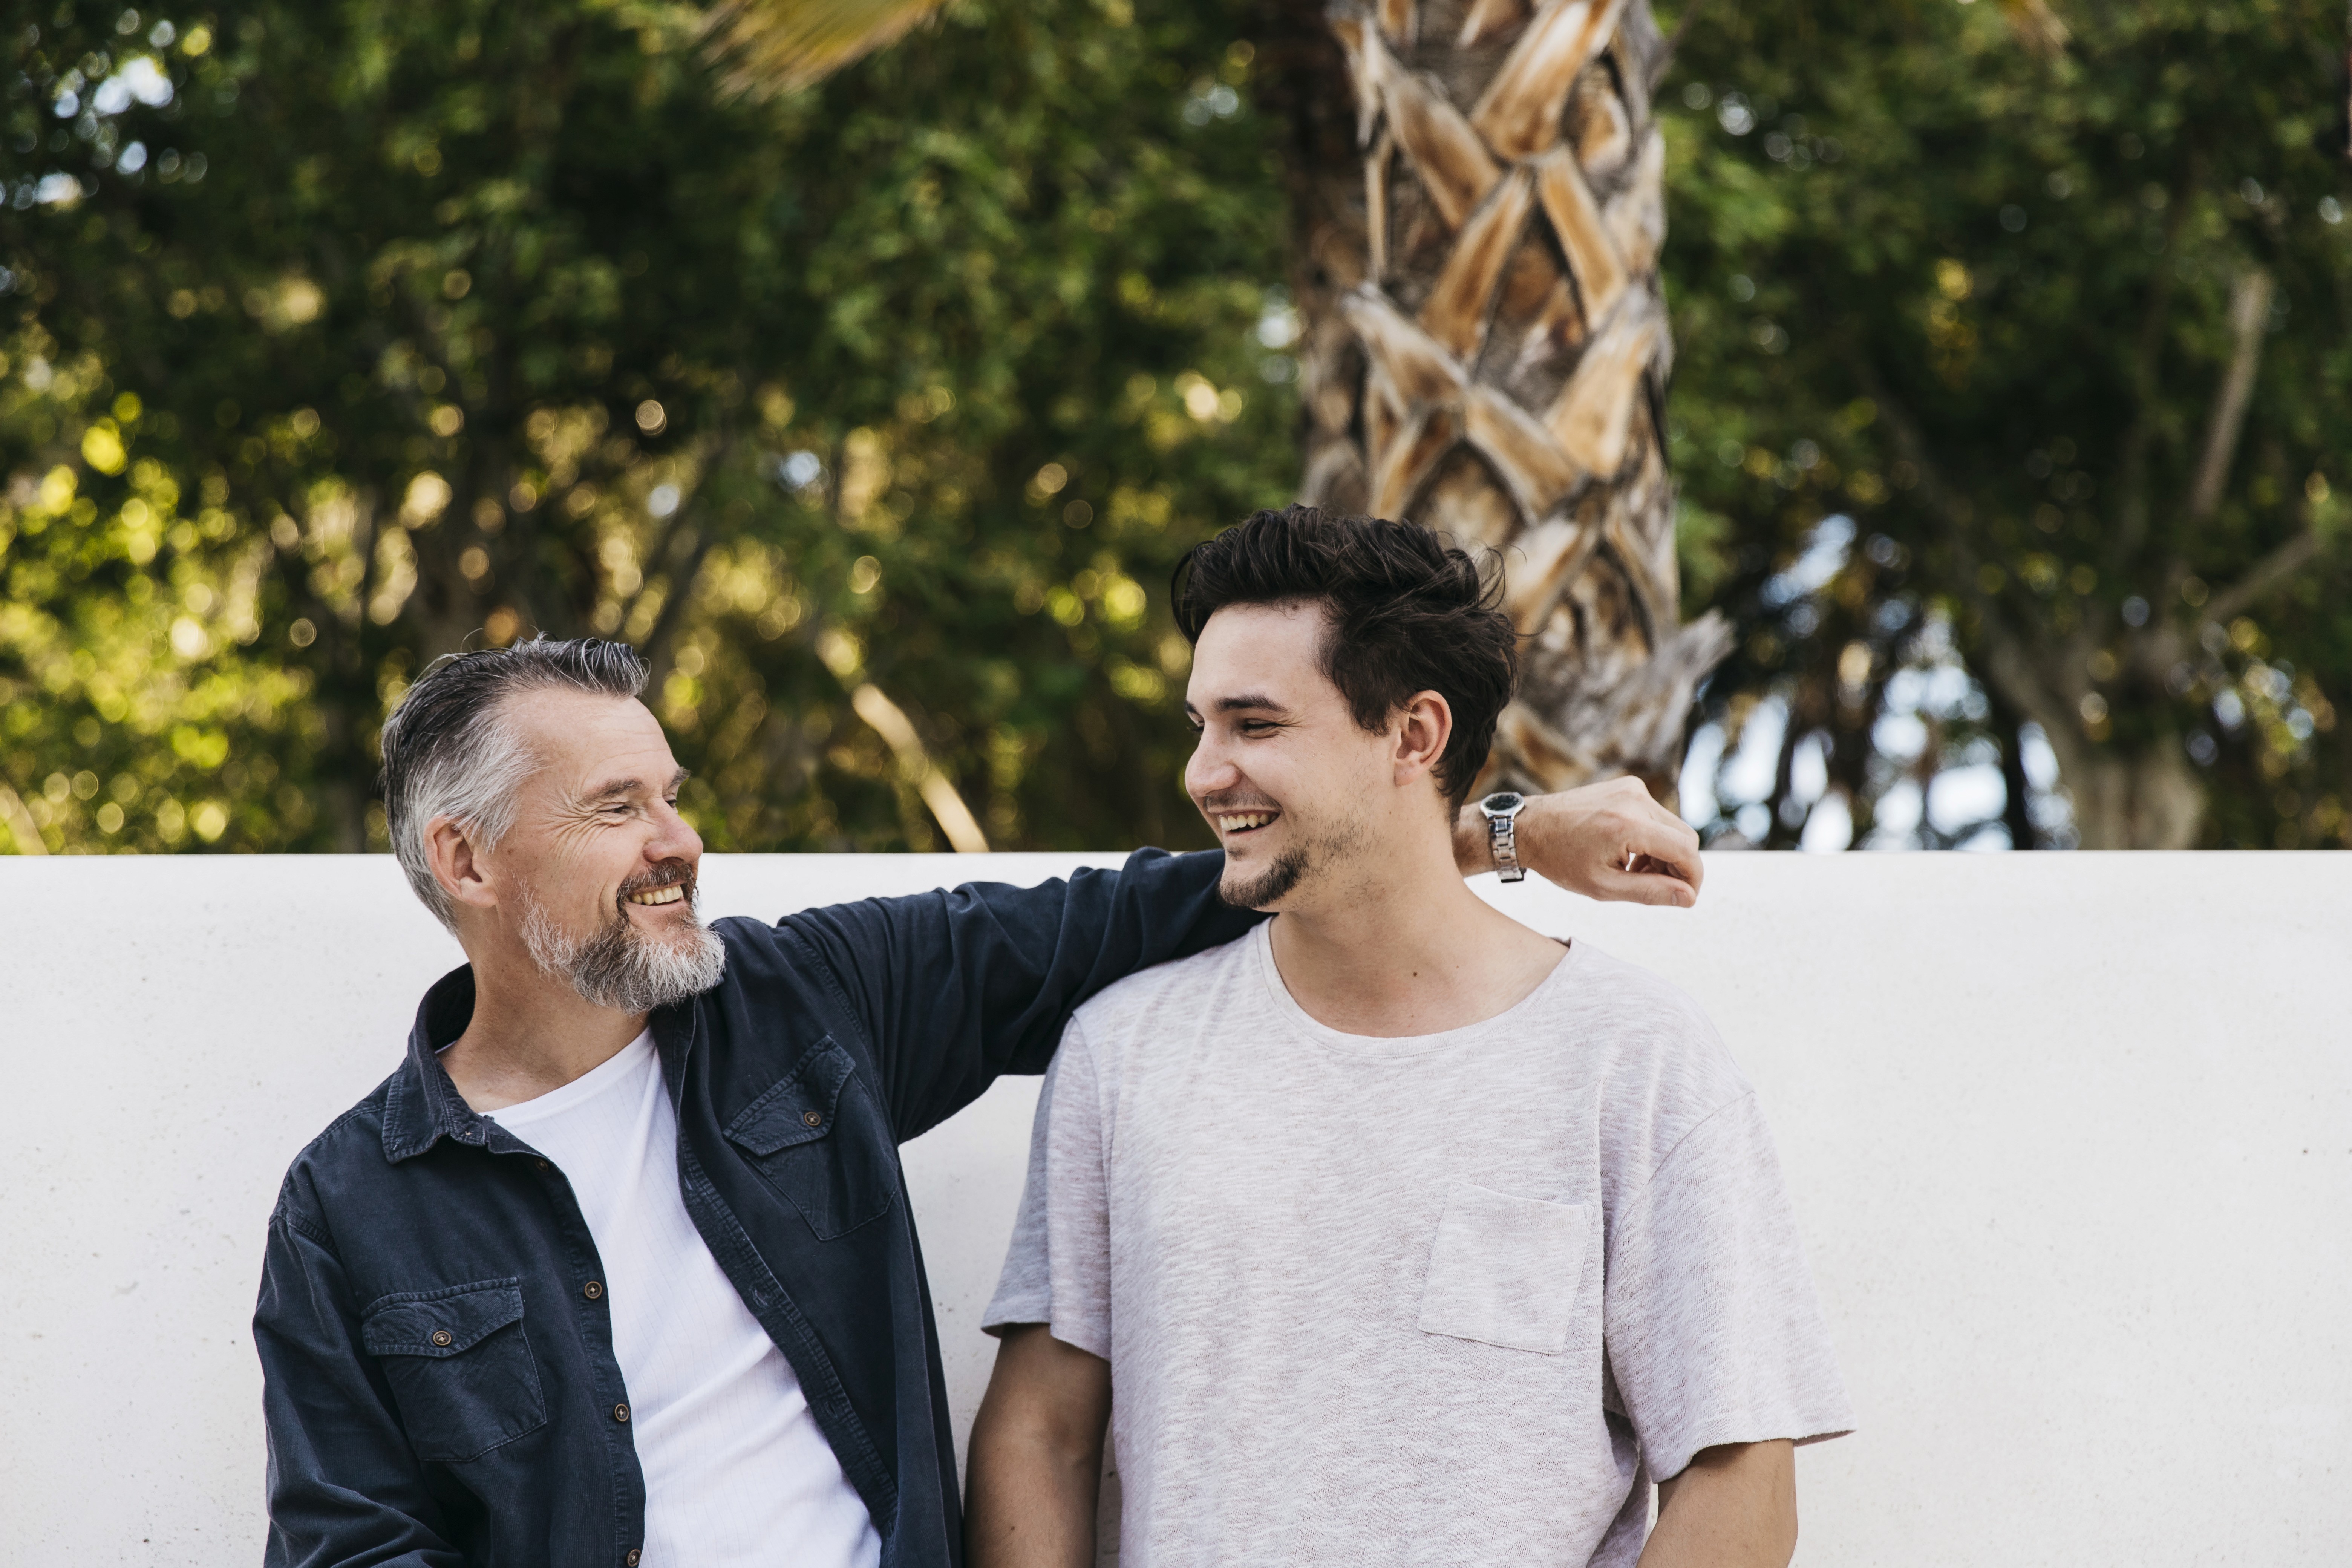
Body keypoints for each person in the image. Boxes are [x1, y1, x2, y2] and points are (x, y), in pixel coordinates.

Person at [252, 633, 1705, 1568]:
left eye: (673, 795)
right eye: (616, 809)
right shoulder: (350, 1204)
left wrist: (1501, 827)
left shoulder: (803, 1005)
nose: (680, 842)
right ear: (466, 860)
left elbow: (1123, 916)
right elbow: (350, 1548)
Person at [967, 507, 1853, 1568]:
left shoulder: (1636, 1059)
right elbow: (1040, 1431)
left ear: (1415, 735)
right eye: (1199, 726)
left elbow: (1740, 1482)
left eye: (1255, 726)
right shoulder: (1124, 1053)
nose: (1205, 774)